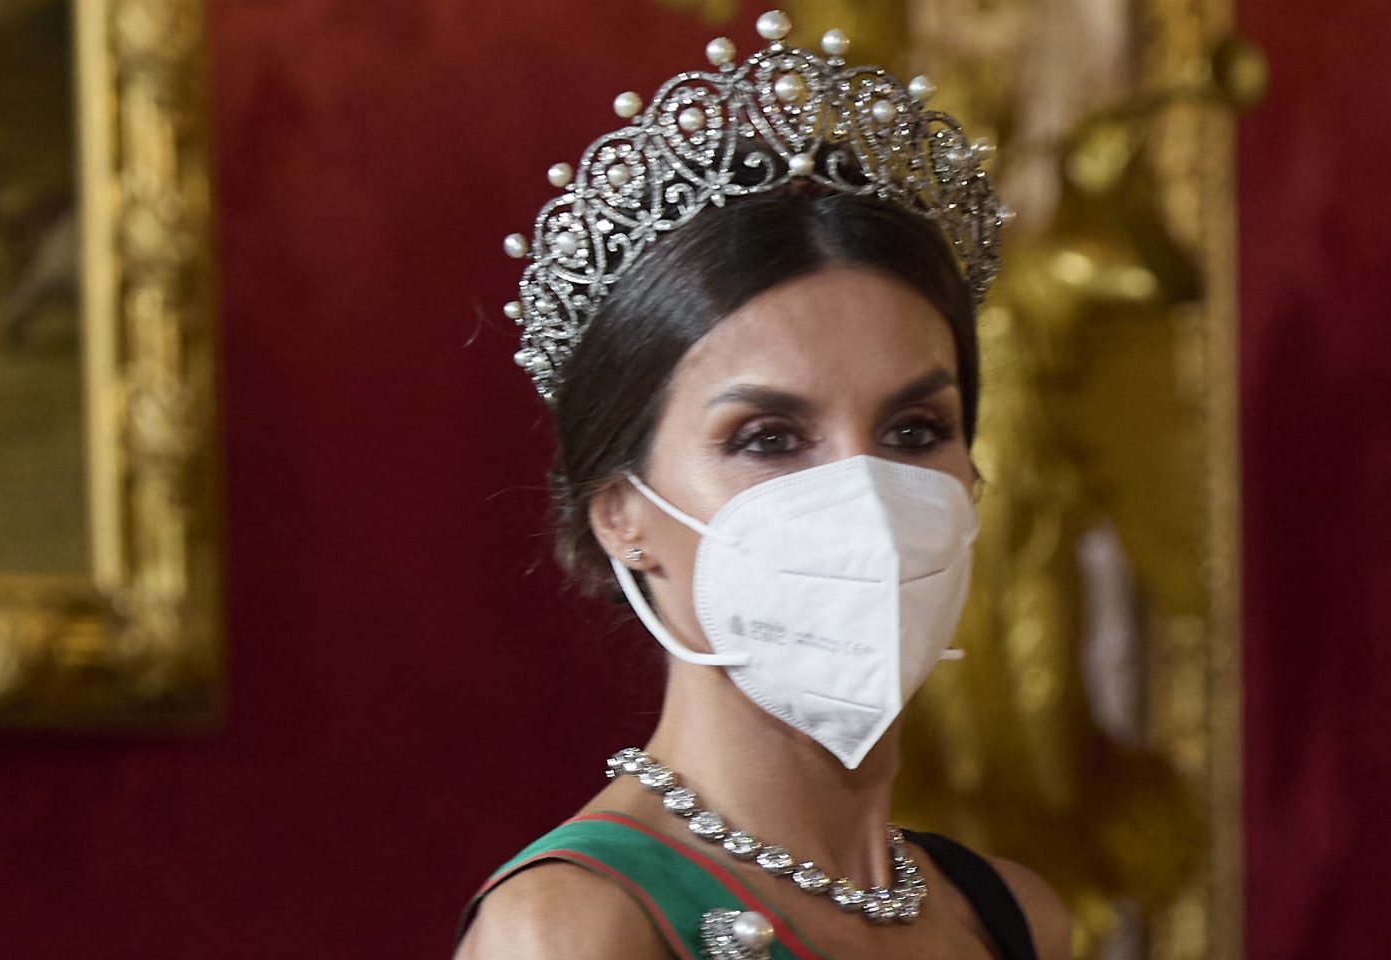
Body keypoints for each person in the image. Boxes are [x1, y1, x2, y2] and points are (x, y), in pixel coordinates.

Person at [456, 11, 1072, 959]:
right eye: (768, 438)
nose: (867, 502)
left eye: (915, 431)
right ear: (620, 513)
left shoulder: (1013, 916)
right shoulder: (574, 928)